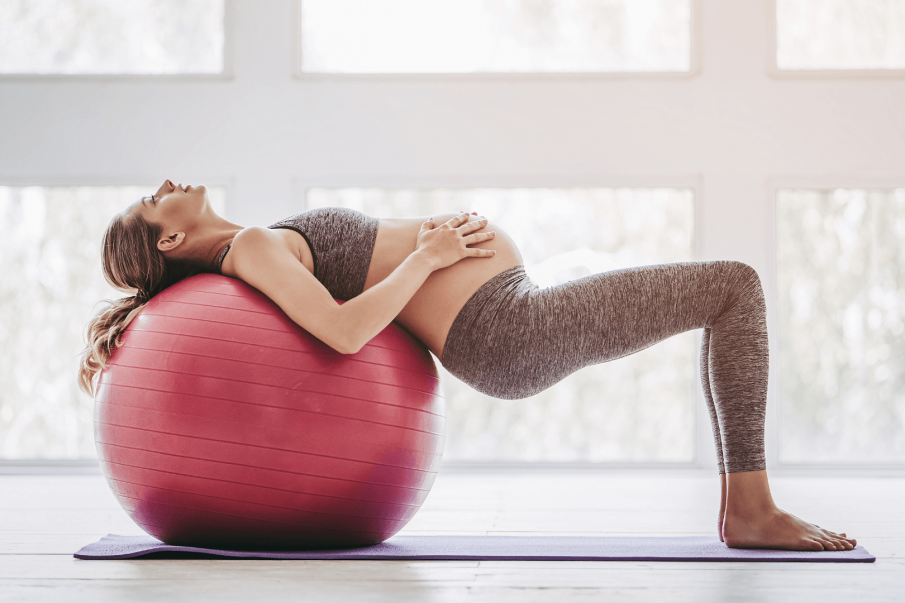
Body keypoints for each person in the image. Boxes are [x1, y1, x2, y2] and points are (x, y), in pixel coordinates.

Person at [79, 179, 856, 552]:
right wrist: (427, 253)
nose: (166, 186)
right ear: (170, 241)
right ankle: (749, 508)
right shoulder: (248, 247)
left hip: (510, 309)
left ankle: (746, 506)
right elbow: (345, 332)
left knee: (720, 293)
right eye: (153, 202)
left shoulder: (255, 239)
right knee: (732, 288)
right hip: (504, 330)